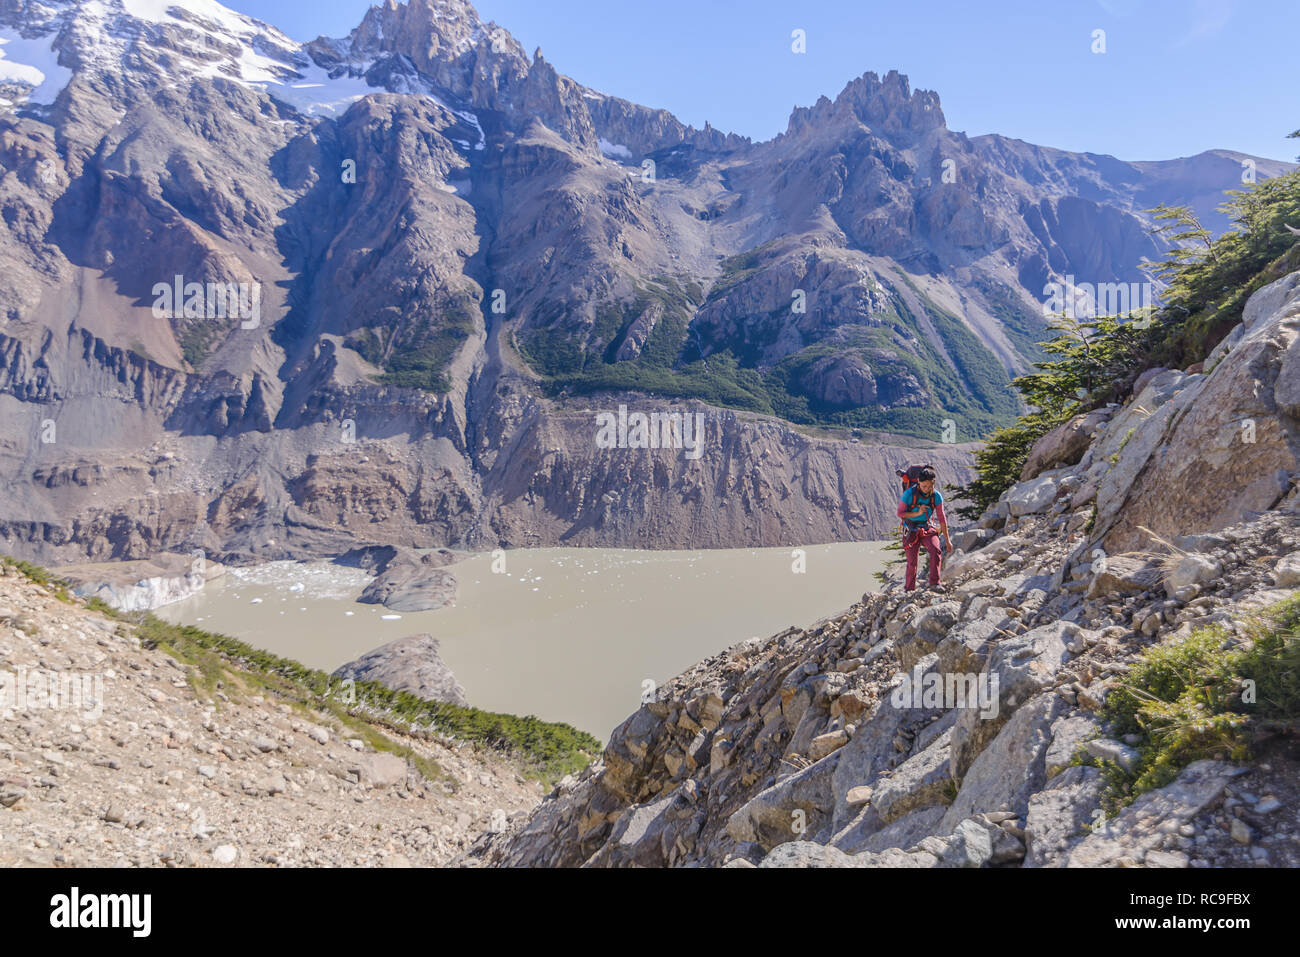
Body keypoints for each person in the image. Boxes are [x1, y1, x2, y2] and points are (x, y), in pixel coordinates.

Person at [897, 467, 952, 591]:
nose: (926, 489)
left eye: (929, 486)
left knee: (936, 550)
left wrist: (948, 541)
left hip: (927, 527)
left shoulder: (936, 496)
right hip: (910, 529)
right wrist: (917, 513)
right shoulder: (909, 494)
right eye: (923, 486)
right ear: (918, 482)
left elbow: (942, 519)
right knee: (912, 562)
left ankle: (935, 583)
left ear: (933, 483)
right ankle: (909, 589)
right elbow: (900, 513)